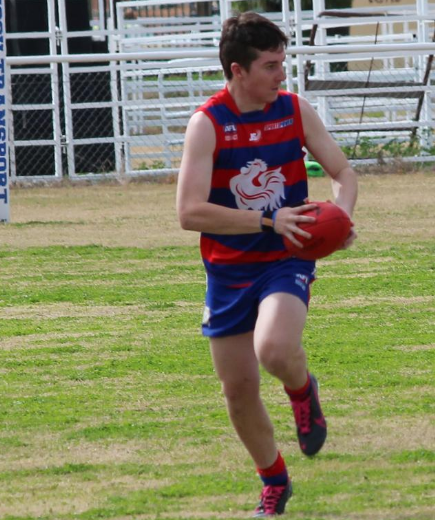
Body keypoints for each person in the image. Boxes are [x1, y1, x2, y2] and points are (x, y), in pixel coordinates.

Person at [176, 12, 358, 517]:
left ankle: (302, 390)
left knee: (275, 348)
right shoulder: (208, 124)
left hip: (285, 258)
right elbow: (189, 212)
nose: (282, 75)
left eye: (283, 63)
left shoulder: (295, 110)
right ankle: (274, 480)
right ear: (238, 70)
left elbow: (343, 171)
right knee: (238, 392)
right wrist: (266, 220)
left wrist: (340, 216)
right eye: (271, 65)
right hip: (228, 270)